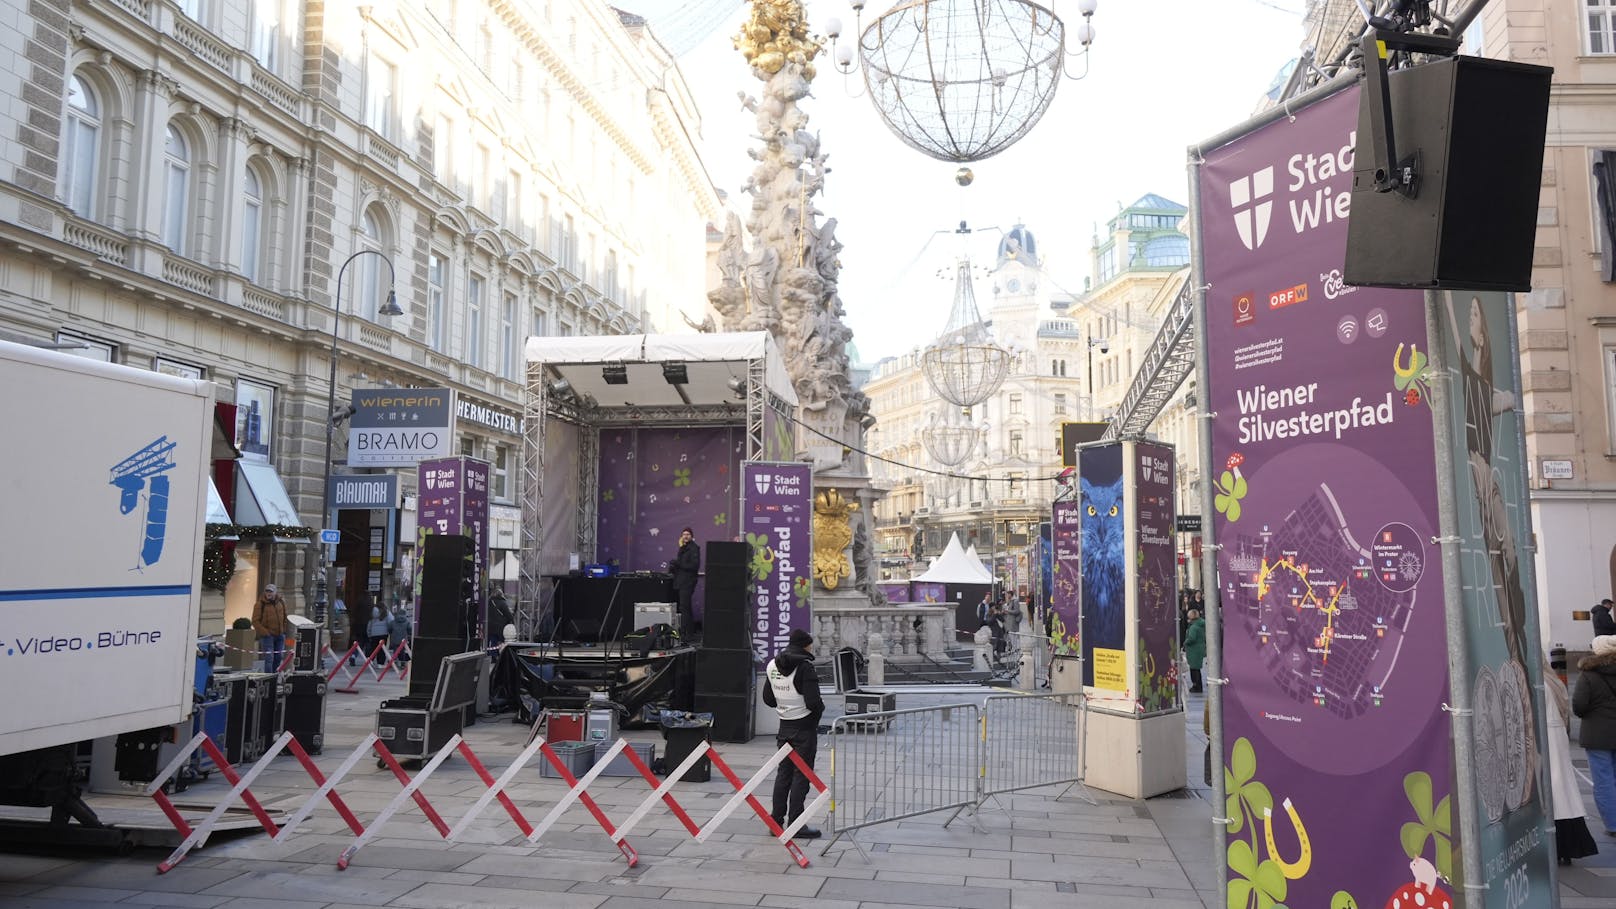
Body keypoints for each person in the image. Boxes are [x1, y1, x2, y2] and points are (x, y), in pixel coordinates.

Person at [762, 628, 825, 839]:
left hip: (784, 727)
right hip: (804, 728)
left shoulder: (772, 665)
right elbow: (814, 702)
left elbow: (768, 700)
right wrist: (816, 718)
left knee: (784, 775)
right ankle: (797, 824)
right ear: (806, 645)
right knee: (801, 777)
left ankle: (776, 822)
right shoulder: (805, 667)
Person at [1545, 657, 1599, 864]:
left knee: (1555, 793)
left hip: (1547, 740)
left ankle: (1559, 846)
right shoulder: (1554, 681)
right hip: (1557, 738)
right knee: (1564, 792)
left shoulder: (1539, 683)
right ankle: (1569, 847)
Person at [1572, 634, 1616, 837]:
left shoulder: (1588, 675)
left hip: (1597, 736)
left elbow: (1579, 707)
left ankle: (1613, 825)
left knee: (1604, 781)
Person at [668, 527, 701, 633]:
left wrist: (679, 564)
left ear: (692, 536)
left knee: (684, 607)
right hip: (681, 581)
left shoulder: (694, 548)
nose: (685, 536)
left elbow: (694, 566)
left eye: (688, 534)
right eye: (684, 534)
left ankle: (686, 633)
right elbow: (681, 564)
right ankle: (689, 632)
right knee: (685, 607)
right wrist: (673, 567)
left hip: (688, 582)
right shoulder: (683, 548)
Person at [251, 584, 289, 673]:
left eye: (271, 591)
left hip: (280, 635)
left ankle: (274, 675)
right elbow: (255, 621)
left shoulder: (281, 602)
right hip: (267, 636)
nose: (269, 593)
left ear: (275, 593)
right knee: (269, 658)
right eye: (267, 591)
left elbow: (285, 617)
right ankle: (268, 678)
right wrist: (265, 632)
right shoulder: (260, 604)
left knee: (279, 657)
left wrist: (283, 630)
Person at [1184, 608, 1206, 694]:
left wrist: (1185, 642)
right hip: (1199, 648)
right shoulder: (1201, 624)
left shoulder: (1193, 627)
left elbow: (1192, 638)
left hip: (1194, 650)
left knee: (1193, 669)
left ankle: (1196, 686)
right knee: (1197, 669)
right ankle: (1198, 686)